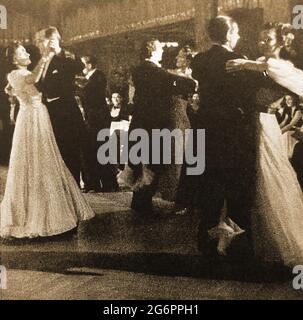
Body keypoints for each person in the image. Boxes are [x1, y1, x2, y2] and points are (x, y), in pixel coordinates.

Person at [225, 22, 303, 266]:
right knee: (255, 177)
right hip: (252, 121)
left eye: (267, 39)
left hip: (265, 122)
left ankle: (279, 240)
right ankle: (256, 238)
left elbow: (279, 73)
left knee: (269, 174)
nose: (262, 43)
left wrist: (246, 64)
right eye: (260, 39)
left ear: (281, 42)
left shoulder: (282, 66)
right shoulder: (260, 62)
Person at [0, 42, 95, 239]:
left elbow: (15, 88)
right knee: (39, 162)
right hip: (32, 119)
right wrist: (45, 56)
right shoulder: (19, 74)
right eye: (22, 52)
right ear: (14, 60)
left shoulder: (16, 75)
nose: (26, 54)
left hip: (35, 116)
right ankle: (43, 218)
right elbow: (33, 78)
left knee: (41, 162)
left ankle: (45, 214)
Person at [191, 16, 259, 258]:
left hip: (207, 133)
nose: (238, 36)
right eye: (236, 31)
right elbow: (248, 95)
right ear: (229, 33)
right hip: (232, 133)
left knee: (210, 188)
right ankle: (239, 246)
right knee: (237, 189)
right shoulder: (234, 61)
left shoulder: (200, 60)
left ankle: (207, 243)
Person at [129, 39, 196, 216]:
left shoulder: (141, 69)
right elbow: (180, 83)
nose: (163, 52)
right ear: (152, 51)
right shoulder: (153, 70)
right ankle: (143, 201)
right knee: (154, 161)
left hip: (144, 120)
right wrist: (190, 82)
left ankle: (140, 200)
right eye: (159, 49)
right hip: (155, 122)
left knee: (148, 160)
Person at [34, 27, 85, 185]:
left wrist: (59, 52)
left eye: (41, 40)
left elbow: (78, 68)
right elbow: (39, 84)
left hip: (66, 114)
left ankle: (73, 196)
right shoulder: (44, 59)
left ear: (53, 40)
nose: (38, 44)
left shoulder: (65, 56)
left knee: (69, 156)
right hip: (50, 113)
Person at [80, 55, 118, 193]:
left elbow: (90, 95)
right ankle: (97, 183)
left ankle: (107, 183)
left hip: (98, 119)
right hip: (94, 118)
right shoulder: (90, 79)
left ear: (89, 65)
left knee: (101, 149)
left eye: (83, 64)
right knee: (94, 150)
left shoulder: (98, 77)